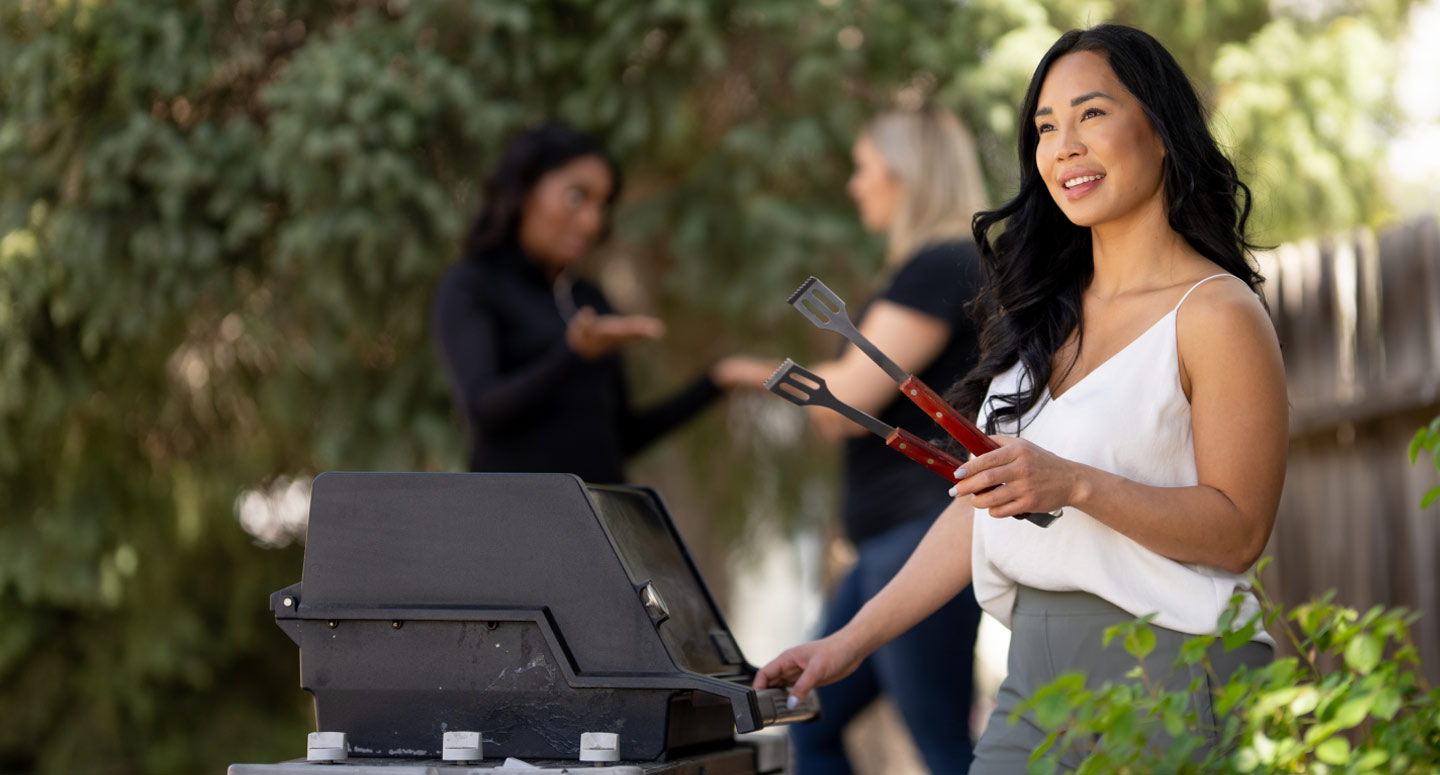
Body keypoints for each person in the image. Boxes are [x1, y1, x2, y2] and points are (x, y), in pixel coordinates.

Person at [755, 24, 1287, 773]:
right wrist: (846, 643)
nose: (1064, 144)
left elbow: (1239, 531)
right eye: (1045, 126)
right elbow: (977, 502)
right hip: (1035, 685)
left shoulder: (1216, 312)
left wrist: (1072, 482)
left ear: (1162, 130)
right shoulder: (1042, 315)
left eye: (1092, 113)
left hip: (1173, 673)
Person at [789, 107, 988, 775]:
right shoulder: (944, 265)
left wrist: (766, 375)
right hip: (892, 539)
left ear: (902, 177)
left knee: (941, 746)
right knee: (810, 718)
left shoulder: (940, 264)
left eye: (863, 168)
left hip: (921, 532)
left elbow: (847, 402)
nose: (855, 185)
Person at [431, 123, 775, 483]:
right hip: (515, 520)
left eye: (602, 205)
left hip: (597, 521)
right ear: (526, 189)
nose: (592, 221)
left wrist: (720, 379)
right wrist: (573, 354)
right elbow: (485, 410)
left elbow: (622, 437)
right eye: (577, 196)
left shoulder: (588, 299)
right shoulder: (473, 285)